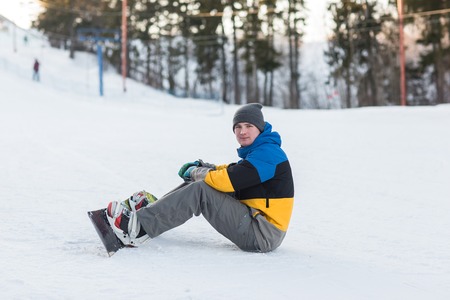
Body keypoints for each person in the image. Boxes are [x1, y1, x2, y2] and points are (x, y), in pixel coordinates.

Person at [106, 103, 294, 252]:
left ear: (260, 128)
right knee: (200, 181)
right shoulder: (261, 152)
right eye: (238, 127)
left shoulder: (269, 154)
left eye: (248, 126)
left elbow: (229, 180)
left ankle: (138, 229)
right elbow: (233, 170)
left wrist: (197, 172)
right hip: (256, 221)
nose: (242, 131)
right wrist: (204, 168)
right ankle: (152, 211)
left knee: (201, 190)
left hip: (262, 234)